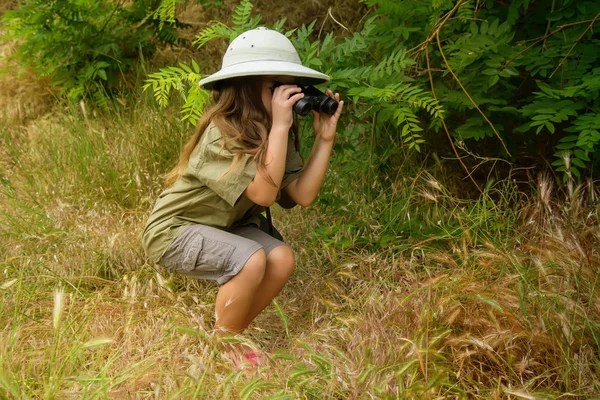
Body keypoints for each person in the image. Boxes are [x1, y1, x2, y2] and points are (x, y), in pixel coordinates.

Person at [141, 27, 343, 365]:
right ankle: (227, 349)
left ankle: (225, 338)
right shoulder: (222, 133)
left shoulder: (275, 130)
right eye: (275, 86)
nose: (288, 95)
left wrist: (324, 140)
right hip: (174, 231)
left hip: (225, 227)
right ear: (245, 88)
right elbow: (264, 194)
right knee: (250, 259)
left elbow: (303, 195)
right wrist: (279, 127)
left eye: (291, 85)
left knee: (280, 258)